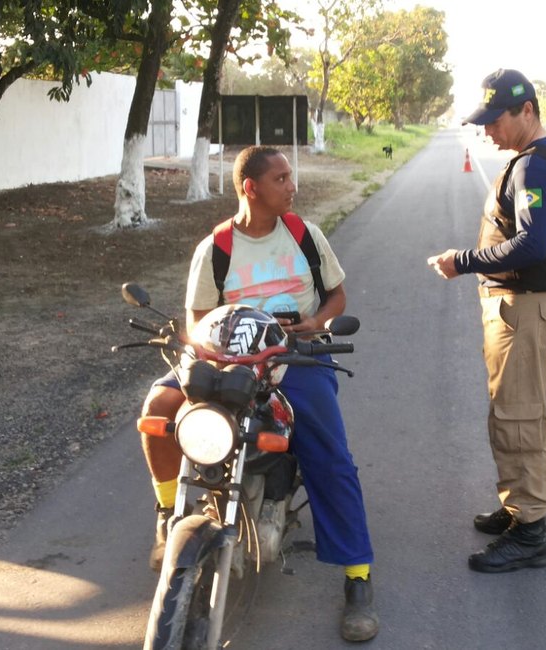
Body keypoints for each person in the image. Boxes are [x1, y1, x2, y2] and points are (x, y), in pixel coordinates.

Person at [140, 145, 379, 642]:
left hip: (295, 354)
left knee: (329, 454)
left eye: (290, 177)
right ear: (251, 188)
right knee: (159, 409)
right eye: (282, 178)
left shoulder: (304, 235)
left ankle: (357, 575)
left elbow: (337, 295)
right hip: (228, 357)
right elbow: (197, 320)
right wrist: (210, 352)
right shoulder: (217, 247)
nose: (293, 186)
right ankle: (167, 511)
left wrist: (317, 322)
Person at [427, 69, 546, 573]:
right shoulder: (540, 159)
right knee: (517, 414)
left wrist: (463, 261)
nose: (488, 131)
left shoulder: (534, 166)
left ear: (527, 111)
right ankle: (519, 509)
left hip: (525, 309)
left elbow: (533, 245)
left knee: (520, 419)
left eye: (496, 121)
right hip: (522, 308)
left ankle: (531, 531)